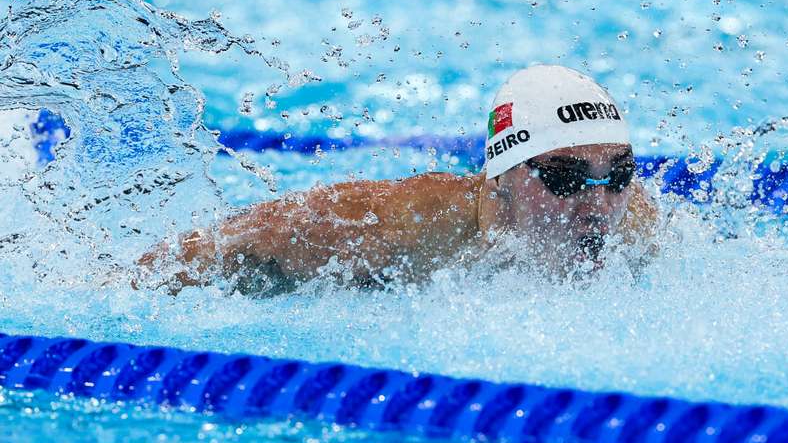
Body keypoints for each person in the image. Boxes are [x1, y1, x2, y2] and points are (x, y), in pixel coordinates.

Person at [134, 64, 659, 295]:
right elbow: (243, 243)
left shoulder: (635, 222)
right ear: (500, 177)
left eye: (618, 175)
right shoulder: (408, 226)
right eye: (566, 179)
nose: (597, 203)